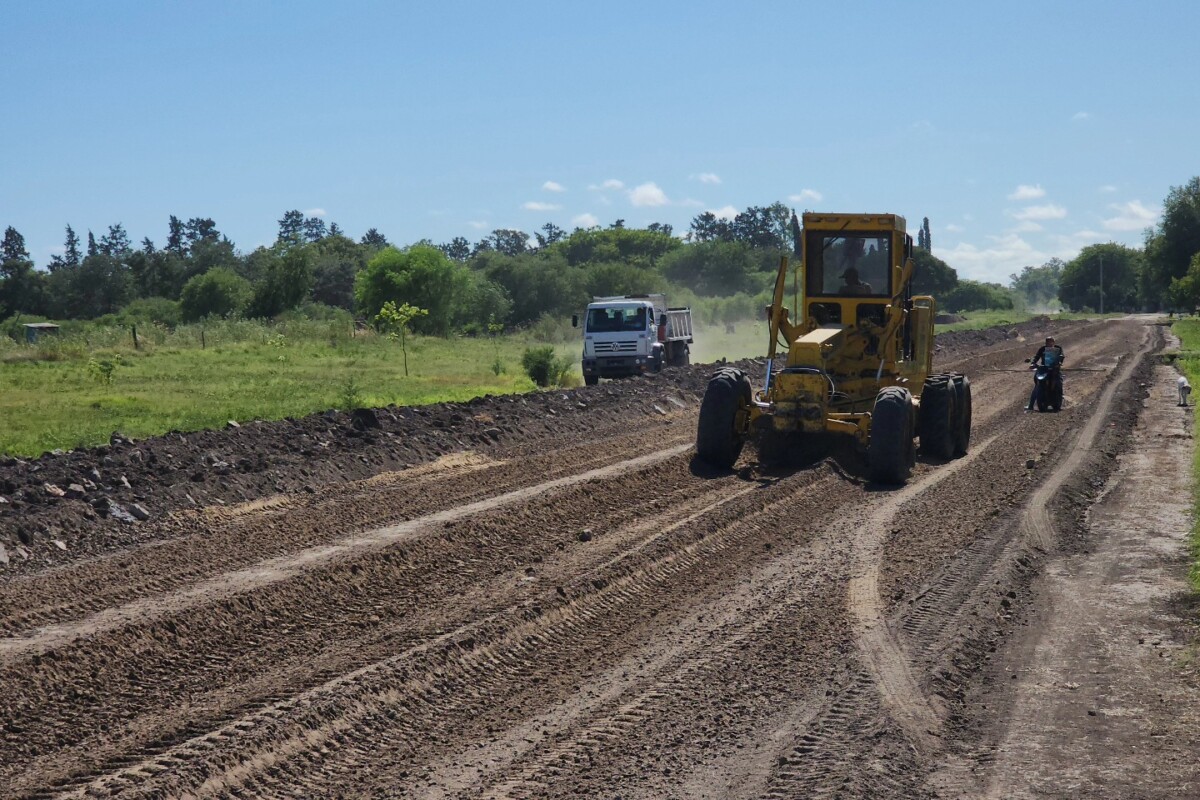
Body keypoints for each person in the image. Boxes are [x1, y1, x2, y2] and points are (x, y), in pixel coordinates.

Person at [1026, 336, 1065, 411]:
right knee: (1037, 385)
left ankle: (1059, 400)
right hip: (1044, 369)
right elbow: (1036, 357)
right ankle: (1030, 405)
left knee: (1058, 382)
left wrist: (1059, 362)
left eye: (1051, 342)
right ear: (1045, 343)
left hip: (1054, 369)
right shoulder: (1042, 349)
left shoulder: (1058, 348)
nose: (1049, 343)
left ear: (1054, 342)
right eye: (1047, 342)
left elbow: (1062, 356)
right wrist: (1033, 363)